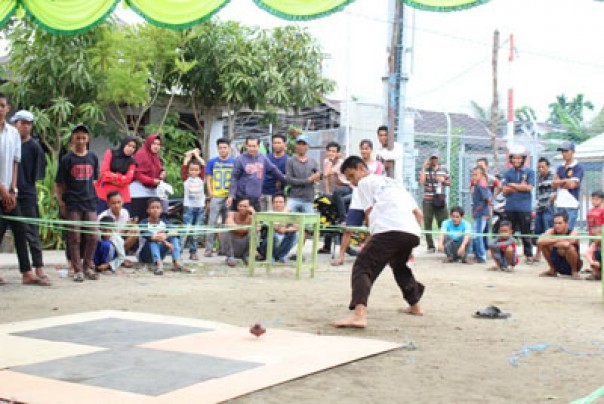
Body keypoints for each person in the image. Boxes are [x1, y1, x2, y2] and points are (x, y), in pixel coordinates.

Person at [333, 156, 425, 329]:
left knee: (363, 266)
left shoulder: (365, 182)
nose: (352, 182)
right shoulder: (395, 184)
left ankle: (359, 315)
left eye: (352, 176)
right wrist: (412, 239)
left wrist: (371, 236)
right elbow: (418, 214)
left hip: (390, 229)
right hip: (411, 231)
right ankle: (415, 305)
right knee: (399, 265)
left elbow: (369, 212)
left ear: (361, 168)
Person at [0, 96, 48, 286]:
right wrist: (3, 190)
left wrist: (12, 190)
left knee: (21, 229)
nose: (0, 109)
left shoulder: (12, 134)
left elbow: (15, 162)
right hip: (2, 191)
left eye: (2, 105)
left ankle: (27, 272)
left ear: (7, 108)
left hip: (11, 193)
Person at [55, 124, 100, 283]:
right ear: (73, 139)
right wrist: (62, 204)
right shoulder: (67, 159)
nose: (81, 140)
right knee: (74, 237)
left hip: (90, 202)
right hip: (73, 202)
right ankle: (77, 269)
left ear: (88, 139)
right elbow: (59, 184)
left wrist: (95, 197)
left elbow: (95, 180)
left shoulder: (93, 158)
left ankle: (88, 266)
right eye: (78, 137)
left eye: (83, 137)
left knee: (93, 236)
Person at [331, 139, 384, 266]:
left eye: (367, 148)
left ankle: (368, 256)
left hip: (371, 202)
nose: (364, 150)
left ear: (371, 149)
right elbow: (343, 178)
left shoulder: (377, 165)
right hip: (357, 202)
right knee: (348, 229)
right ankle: (341, 256)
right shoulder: (352, 165)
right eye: (362, 148)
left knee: (372, 229)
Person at [12, 110, 49, 282]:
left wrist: (25, 185)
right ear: (15, 124)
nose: (25, 126)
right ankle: (25, 270)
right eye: (22, 122)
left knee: (31, 232)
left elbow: (38, 173)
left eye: (28, 123)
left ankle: (38, 267)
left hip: (27, 193)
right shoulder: (9, 142)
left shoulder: (35, 147)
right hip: (6, 192)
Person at [228, 136, 286, 213]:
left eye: (254, 146)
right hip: (241, 198)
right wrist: (231, 195)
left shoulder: (262, 158)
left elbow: (273, 170)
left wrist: (285, 179)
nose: (251, 148)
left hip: (255, 198)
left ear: (258, 146)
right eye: (249, 146)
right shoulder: (240, 159)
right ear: (246, 146)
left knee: (257, 222)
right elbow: (234, 178)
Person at [502, 145, 535, 264]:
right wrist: (520, 186)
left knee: (526, 232)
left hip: (524, 207)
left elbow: (529, 187)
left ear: (523, 159)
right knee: (507, 231)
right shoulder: (507, 173)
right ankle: (506, 252)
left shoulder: (530, 172)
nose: (516, 160)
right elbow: (504, 190)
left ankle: (529, 255)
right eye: (514, 158)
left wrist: (512, 185)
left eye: (519, 158)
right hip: (510, 206)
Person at [137, 197, 184, 275]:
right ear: (148, 210)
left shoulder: (165, 222)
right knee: (152, 241)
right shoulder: (143, 222)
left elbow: (175, 231)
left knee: (174, 238)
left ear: (161, 210)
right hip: (145, 254)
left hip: (160, 252)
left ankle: (176, 262)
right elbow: (150, 236)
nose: (155, 210)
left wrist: (166, 236)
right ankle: (158, 265)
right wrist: (166, 242)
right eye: (152, 208)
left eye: (158, 208)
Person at [205, 138, 235, 257]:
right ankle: (208, 248)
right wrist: (210, 192)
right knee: (211, 222)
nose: (222, 150)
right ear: (217, 149)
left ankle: (223, 248)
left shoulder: (234, 162)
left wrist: (232, 195)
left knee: (226, 223)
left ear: (229, 148)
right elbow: (209, 178)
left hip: (228, 197)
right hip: (216, 196)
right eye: (220, 148)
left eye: (225, 147)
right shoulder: (212, 162)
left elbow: (235, 180)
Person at [418, 149, 450, 253]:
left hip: (440, 198)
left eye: (436, 158)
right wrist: (424, 167)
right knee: (427, 222)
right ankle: (430, 246)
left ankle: (445, 243)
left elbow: (450, 182)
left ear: (439, 158)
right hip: (428, 199)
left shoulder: (443, 169)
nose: (434, 160)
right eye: (432, 158)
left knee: (443, 222)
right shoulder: (426, 169)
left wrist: (443, 181)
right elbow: (422, 182)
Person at [94, 136, 138, 213]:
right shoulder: (110, 153)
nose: (130, 149)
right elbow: (104, 173)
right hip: (104, 195)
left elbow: (127, 180)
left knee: (121, 221)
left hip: (122, 197)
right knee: (101, 221)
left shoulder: (132, 162)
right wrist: (121, 177)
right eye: (129, 145)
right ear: (123, 144)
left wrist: (112, 176)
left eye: (133, 147)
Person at [129, 134, 164, 221]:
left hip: (151, 192)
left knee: (149, 221)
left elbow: (157, 169)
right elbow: (136, 174)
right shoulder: (141, 154)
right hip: (138, 193)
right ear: (149, 143)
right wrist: (151, 181)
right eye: (154, 143)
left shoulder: (155, 157)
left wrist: (162, 172)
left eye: (158, 144)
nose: (156, 146)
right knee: (138, 221)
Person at [538, 211, 582, 280]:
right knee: (544, 245)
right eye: (555, 223)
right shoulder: (551, 231)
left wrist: (551, 242)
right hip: (557, 262)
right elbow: (540, 241)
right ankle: (552, 270)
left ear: (566, 223)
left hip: (572, 265)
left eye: (560, 223)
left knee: (570, 248)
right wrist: (558, 240)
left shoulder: (573, 232)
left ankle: (574, 272)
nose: (557, 226)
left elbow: (567, 244)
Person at [98, 190, 138, 265]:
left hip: (119, 240)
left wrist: (131, 225)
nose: (117, 205)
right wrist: (126, 227)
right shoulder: (103, 216)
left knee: (135, 229)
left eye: (119, 202)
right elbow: (107, 236)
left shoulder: (125, 212)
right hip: (107, 243)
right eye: (113, 203)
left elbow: (120, 235)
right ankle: (118, 258)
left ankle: (120, 256)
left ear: (123, 201)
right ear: (108, 204)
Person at [257, 193, 298, 263]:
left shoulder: (289, 214)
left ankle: (281, 256)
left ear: (285, 204)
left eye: (281, 202)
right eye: (276, 202)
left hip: (281, 242)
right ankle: (270, 257)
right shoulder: (269, 214)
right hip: (266, 244)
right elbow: (277, 229)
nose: (278, 204)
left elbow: (297, 227)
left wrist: (286, 229)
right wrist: (285, 217)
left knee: (295, 234)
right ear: (272, 204)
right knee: (276, 236)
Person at [552, 141, 583, 231]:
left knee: (568, 231)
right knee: (558, 232)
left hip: (571, 204)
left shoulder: (578, 167)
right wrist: (565, 181)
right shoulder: (560, 167)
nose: (564, 154)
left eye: (566, 151)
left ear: (573, 151)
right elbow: (553, 183)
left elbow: (573, 185)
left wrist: (561, 182)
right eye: (562, 151)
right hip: (559, 204)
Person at [181, 150, 206, 261]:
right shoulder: (186, 180)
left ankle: (193, 252)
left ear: (199, 171)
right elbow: (184, 166)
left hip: (200, 207)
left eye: (196, 170)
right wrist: (188, 156)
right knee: (186, 230)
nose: (194, 172)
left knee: (197, 231)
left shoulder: (201, 179)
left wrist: (196, 156)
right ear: (189, 171)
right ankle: (179, 251)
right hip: (189, 207)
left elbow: (203, 164)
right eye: (192, 170)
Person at [534, 157, 556, 262]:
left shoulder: (552, 176)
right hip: (539, 207)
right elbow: (538, 194)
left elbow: (554, 194)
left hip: (548, 207)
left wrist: (547, 204)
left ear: (548, 166)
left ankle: (551, 255)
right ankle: (538, 253)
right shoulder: (538, 177)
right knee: (538, 231)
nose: (540, 169)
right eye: (539, 167)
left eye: (543, 167)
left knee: (548, 230)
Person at [223, 198, 255, 267]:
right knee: (227, 231)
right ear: (237, 207)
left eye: (245, 206)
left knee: (254, 232)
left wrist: (254, 213)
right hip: (233, 247)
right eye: (240, 206)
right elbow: (230, 224)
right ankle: (230, 257)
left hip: (244, 247)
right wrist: (246, 229)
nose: (242, 208)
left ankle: (247, 256)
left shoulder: (251, 218)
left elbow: (258, 228)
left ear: (250, 207)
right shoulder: (231, 214)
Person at [260, 134, 288, 212]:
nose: (276, 145)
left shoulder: (288, 160)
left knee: (271, 219)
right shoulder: (267, 157)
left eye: (279, 143)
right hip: (262, 192)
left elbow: (288, 177)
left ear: (284, 144)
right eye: (275, 143)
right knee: (261, 218)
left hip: (275, 194)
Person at [324, 141, 351, 224]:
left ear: (338, 153)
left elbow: (326, 173)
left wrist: (331, 161)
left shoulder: (340, 163)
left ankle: (343, 218)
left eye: (334, 151)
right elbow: (327, 178)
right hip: (338, 188)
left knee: (337, 192)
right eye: (329, 151)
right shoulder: (326, 161)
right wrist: (327, 192)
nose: (331, 153)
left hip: (347, 187)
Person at [470, 166, 492, 263]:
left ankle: (481, 256)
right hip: (478, 213)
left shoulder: (481, 185)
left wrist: (487, 208)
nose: (474, 177)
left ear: (482, 175)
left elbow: (488, 198)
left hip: (481, 213)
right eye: (473, 175)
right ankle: (477, 254)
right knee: (475, 235)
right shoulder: (477, 185)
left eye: (476, 175)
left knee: (478, 235)